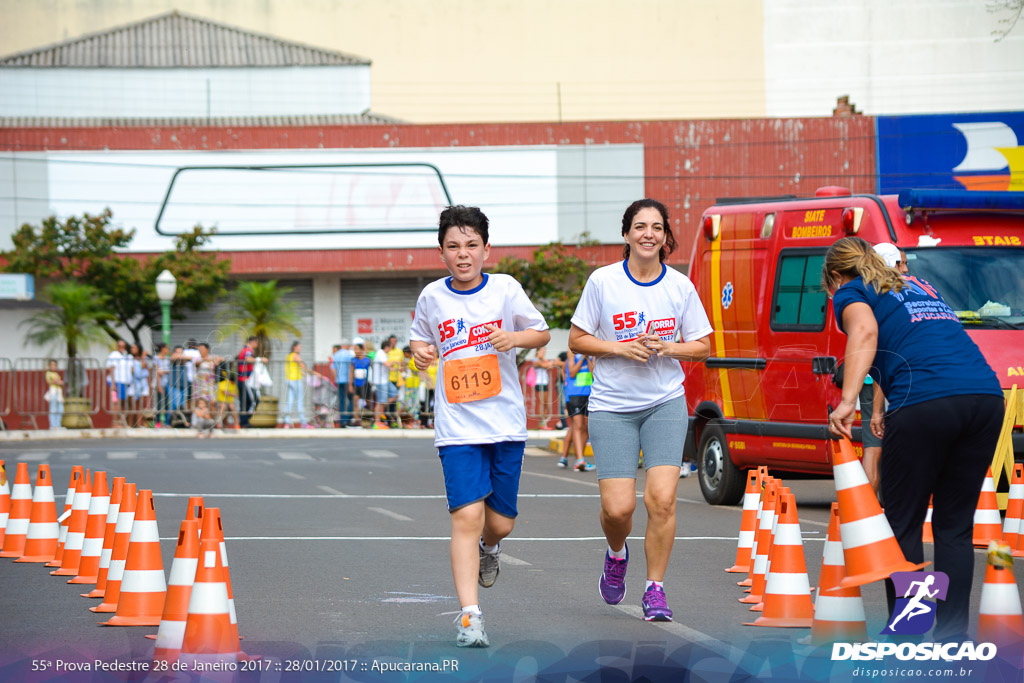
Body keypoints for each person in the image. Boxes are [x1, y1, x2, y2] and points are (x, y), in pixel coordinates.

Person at [825, 236, 1003, 642]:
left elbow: (865, 333)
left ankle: (910, 629)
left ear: (836, 276)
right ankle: (952, 635)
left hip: (926, 402)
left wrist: (848, 400)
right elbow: (917, 343)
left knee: (902, 524)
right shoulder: (919, 285)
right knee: (954, 528)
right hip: (985, 398)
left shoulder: (851, 291)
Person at [410, 205, 550, 648]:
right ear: (442, 253)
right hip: (458, 427)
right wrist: (421, 352)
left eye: (471, 245)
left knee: (500, 524)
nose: (463, 254)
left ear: (487, 250)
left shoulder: (506, 290)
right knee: (466, 517)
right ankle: (470, 617)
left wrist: (515, 338)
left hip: (505, 423)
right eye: (453, 246)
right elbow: (419, 335)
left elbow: (542, 332)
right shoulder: (433, 296)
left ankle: (491, 550)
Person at [568, 198, 712, 623]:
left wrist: (671, 347)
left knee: (662, 499)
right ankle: (616, 554)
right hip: (612, 406)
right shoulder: (603, 282)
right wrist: (618, 347)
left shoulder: (680, 287)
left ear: (667, 236)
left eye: (656, 227)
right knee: (618, 510)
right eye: (639, 226)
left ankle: (655, 589)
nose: (648, 233)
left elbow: (702, 346)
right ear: (627, 234)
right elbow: (577, 340)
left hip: (664, 403)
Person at [558, 351, 596, 472]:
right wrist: (582, 358)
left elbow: (594, 374)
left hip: (589, 394)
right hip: (574, 394)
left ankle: (580, 459)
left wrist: (588, 359)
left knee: (585, 427)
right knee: (577, 425)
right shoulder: (572, 353)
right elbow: (573, 373)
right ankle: (579, 459)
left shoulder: (592, 353)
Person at [280, 340, 312, 428]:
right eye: (299, 346)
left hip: (289, 380)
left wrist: (304, 374)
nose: (300, 348)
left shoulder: (289, 356)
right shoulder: (296, 355)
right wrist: (314, 373)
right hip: (296, 380)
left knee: (289, 402)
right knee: (299, 402)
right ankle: (303, 422)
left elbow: (295, 368)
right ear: (294, 347)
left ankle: (286, 422)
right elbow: (303, 367)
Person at [105, 339, 132, 427]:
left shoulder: (126, 355)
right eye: (120, 346)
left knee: (123, 403)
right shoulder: (114, 355)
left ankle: (122, 421)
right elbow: (111, 369)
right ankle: (115, 422)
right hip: (116, 382)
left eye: (123, 346)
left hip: (124, 382)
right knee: (116, 402)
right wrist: (113, 384)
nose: (121, 348)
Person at [371, 337, 396, 429]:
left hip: (385, 380)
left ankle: (381, 411)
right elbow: (387, 364)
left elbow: (388, 367)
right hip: (380, 381)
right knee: (380, 401)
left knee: (394, 394)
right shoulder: (380, 353)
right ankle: (377, 422)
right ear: (387, 347)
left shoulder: (383, 354)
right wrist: (395, 362)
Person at [236, 336, 259, 427]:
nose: (257, 346)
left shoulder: (244, 350)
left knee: (244, 401)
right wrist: (260, 359)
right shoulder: (247, 351)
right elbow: (248, 359)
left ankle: (244, 422)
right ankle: (244, 420)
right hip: (245, 380)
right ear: (252, 342)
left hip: (243, 380)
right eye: (256, 343)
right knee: (254, 400)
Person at [332, 339, 355, 427]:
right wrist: (350, 383)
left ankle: (342, 421)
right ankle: (347, 419)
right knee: (351, 400)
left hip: (339, 380)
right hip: (348, 381)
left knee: (342, 401)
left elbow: (333, 369)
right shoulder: (349, 354)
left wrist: (336, 378)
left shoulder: (336, 355)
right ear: (347, 346)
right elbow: (351, 369)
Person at [349, 338, 372, 427]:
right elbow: (351, 372)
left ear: (361, 350)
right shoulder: (353, 360)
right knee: (355, 400)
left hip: (365, 384)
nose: (355, 351)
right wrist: (350, 384)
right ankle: (357, 419)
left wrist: (365, 349)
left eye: (357, 349)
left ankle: (369, 417)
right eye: (354, 349)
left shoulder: (368, 360)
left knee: (368, 402)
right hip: (356, 383)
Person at [532, 347, 554, 429]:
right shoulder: (535, 360)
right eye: (542, 351)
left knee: (547, 404)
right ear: (538, 351)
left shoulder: (542, 360)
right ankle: (541, 423)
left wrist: (544, 359)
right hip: (539, 383)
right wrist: (543, 359)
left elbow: (550, 365)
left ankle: (543, 423)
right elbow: (547, 365)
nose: (544, 352)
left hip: (544, 382)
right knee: (542, 403)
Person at [153, 343, 171, 428]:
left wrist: (163, 371)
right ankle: (158, 422)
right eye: (166, 348)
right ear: (162, 349)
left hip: (167, 383)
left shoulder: (167, 358)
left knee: (167, 403)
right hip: (159, 384)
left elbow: (165, 371)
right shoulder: (156, 358)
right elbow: (157, 372)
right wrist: (159, 385)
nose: (168, 350)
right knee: (159, 404)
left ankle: (167, 422)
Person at [44, 359, 64, 430]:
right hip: (53, 392)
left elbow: (60, 382)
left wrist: (58, 382)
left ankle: (58, 424)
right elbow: (52, 381)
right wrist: (58, 382)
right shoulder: (48, 373)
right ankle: (53, 425)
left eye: (54, 365)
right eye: (51, 365)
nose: (53, 366)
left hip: (58, 392)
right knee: (53, 409)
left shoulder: (56, 374)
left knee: (60, 409)